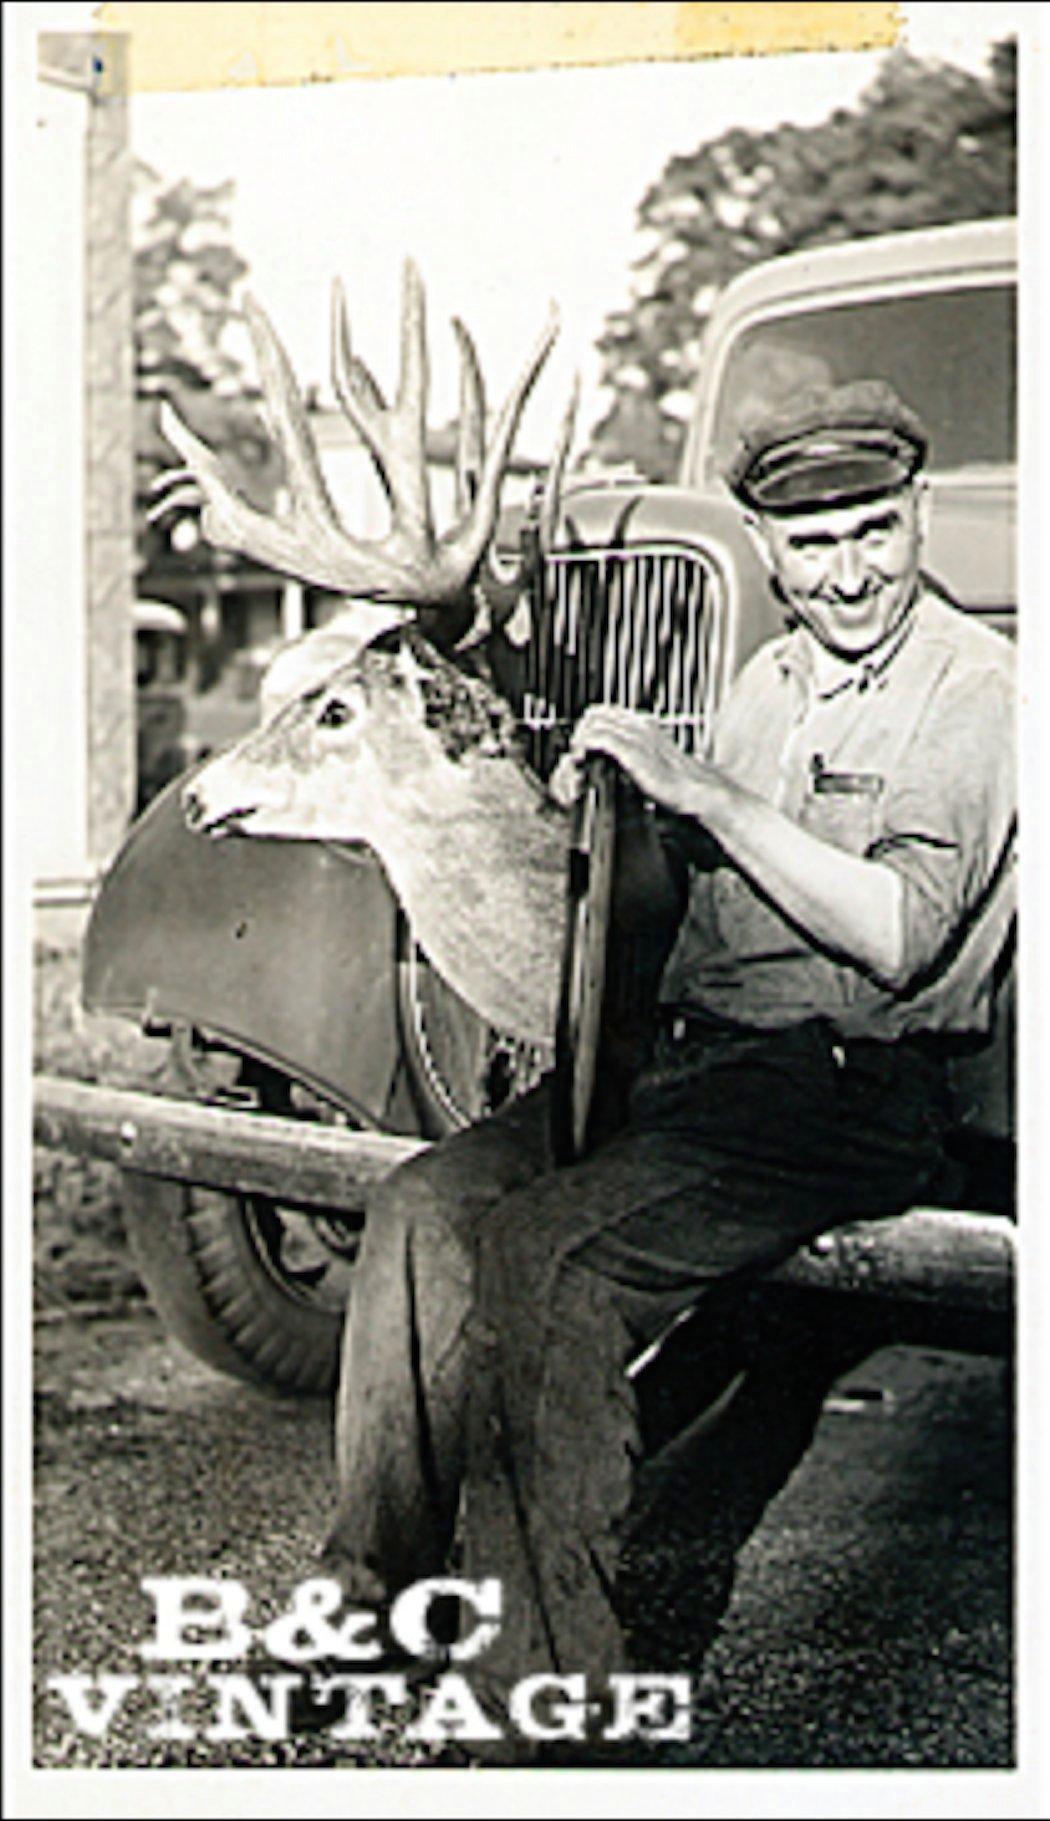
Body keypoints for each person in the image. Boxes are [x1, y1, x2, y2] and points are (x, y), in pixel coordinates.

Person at [285, 380, 1016, 1756]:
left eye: (872, 529)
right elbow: (699, 887)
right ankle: (368, 1600)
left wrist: (706, 793)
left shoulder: (975, 690)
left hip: (848, 1088)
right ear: (764, 549)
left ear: (914, 515)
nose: (846, 571)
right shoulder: (768, 677)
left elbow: (902, 935)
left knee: (551, 1258)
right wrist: (612, 806)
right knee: (421, 1209)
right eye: (809, 546)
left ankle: (551, 1704)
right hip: (701, 1068)